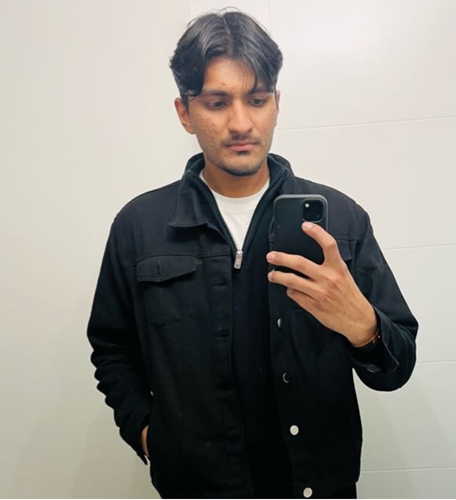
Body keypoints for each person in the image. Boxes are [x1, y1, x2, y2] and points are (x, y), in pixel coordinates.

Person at [87, 9, 418, 499]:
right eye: (217, 102)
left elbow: (398, 368)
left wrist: (361, 324)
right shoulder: (140, 227)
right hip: (196, 489)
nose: (241, 123)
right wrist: (146, 433)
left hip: (316, 487)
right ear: (185, 112)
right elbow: (112, 347)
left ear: (277, 105)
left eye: (257, 100)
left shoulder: (341, 224)